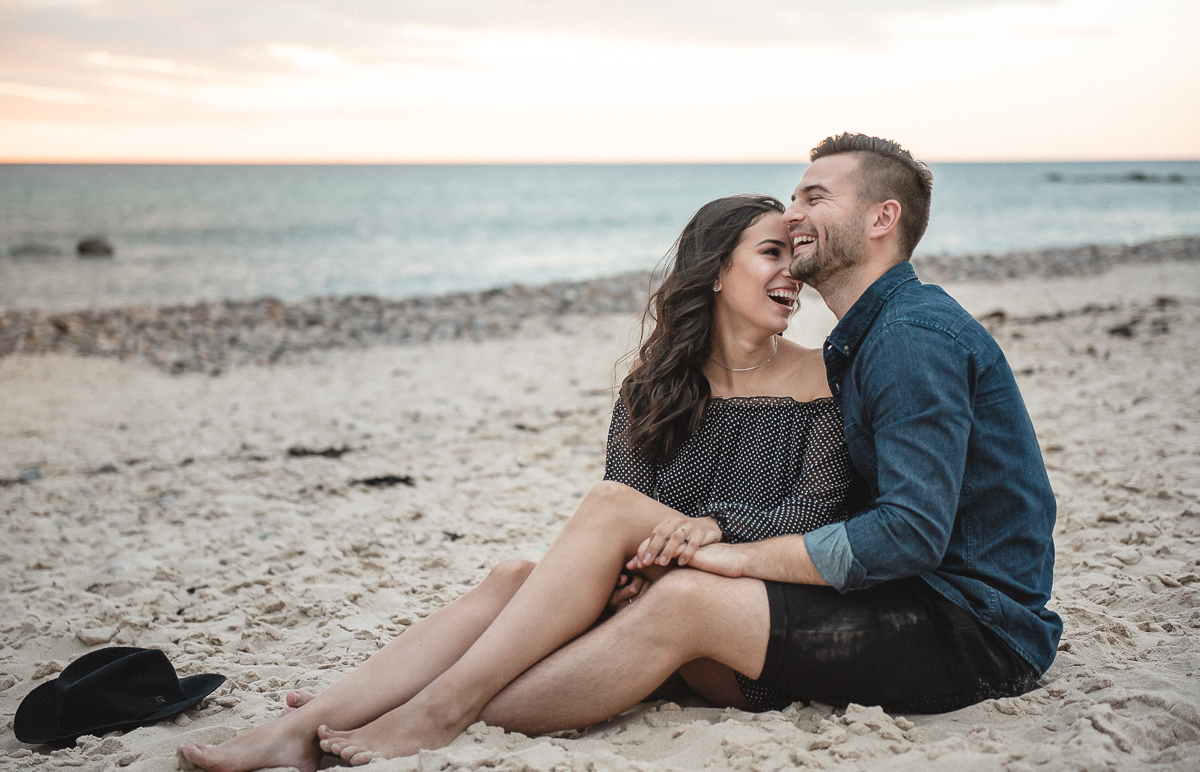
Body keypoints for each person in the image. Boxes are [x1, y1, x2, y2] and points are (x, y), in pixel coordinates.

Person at [178, 194, 859, 771]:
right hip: (645, 602)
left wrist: (712, 527)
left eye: (794, 260)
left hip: (739, 633)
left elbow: (815, 512)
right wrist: (636, 570)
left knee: (605, 507)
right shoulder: (651, 389)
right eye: (774, 254)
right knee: (511, 574)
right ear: (714, 271)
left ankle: (433, 708)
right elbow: (619, 526)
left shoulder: (820, 378)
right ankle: (302, 728)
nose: (793, 276)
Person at [432, 133, 1059, 735]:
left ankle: (442, 713)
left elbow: (906, 533)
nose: (794, 215)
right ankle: (358, 713)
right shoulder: (866, 342)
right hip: (910, 599)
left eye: (814, 197)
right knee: (519, 578)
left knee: (683, 599)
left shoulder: (908, 338)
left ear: (880, 218)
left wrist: (722, 553)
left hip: (973, 626)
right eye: (793, 202)